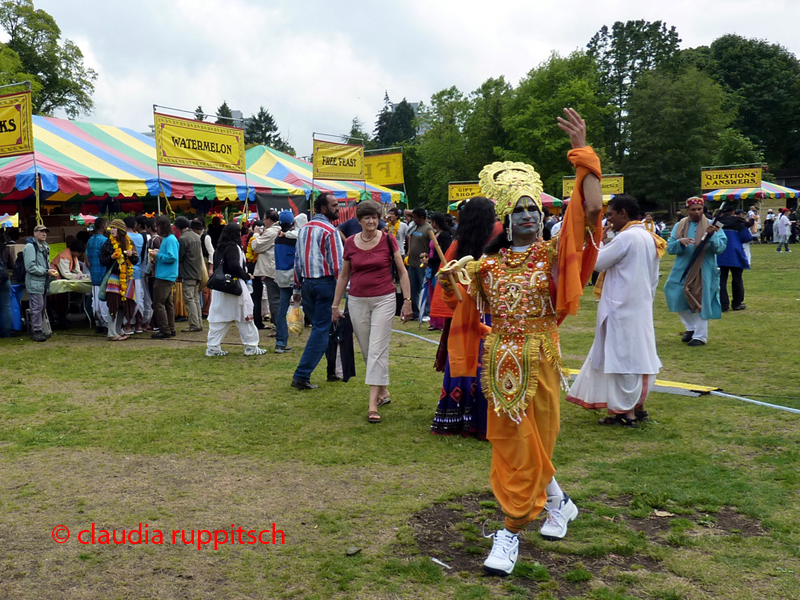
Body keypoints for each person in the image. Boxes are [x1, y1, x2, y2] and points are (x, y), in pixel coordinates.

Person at [438, 109, 603, 575]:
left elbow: (590, 212)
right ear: (507, 218)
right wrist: (452, 280)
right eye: (521, 209)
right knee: (512, 446)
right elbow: (461, 304)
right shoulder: (486, 265)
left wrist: (583, 154)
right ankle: (532, 516)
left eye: (536, 208)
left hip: (543, 359)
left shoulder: (553, 253)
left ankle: (513, 529)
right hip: (500, 363)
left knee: (535, 443)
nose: (530, 215)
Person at [566, 195, 665, 427]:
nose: (608, 220)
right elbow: (653, 279)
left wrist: (596, 240)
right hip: (639, 305)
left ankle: (625, 413)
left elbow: (597, 263)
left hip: (621, 308)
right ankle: (637, 408)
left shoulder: (628, 237)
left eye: (610, 214)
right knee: (639, 355)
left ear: (623, 213)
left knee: (622, 359)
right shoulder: (649, 237)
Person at [331, 200, 412, 422]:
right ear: (359, 221)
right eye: (367, 217)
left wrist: (407, 300)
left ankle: (372, 404)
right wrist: (335, 305)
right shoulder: (350, 243)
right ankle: (383, 390)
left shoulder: (388, 239)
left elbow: (402, 272)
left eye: (375, 217)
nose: (371, 221)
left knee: (377, 349)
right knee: (367, 349)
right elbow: (344, 276)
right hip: (356, 300)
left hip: (384, 299)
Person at [430, 197, 498, 439]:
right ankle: (479, 419)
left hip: (466, 318)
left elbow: (450, 295)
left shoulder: (462, 246)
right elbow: (448, 290)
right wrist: (448, 284)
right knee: (482, 364)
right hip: (485, 317)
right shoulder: (490, 248)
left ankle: (461, 416)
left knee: (471, 363)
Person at [291, 192, 344, 390]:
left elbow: (297, 261)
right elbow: (338, 265)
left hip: (307, 285)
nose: (338, 208)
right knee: (322, 331)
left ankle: (333, 371)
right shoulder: (330, 231)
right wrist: (343, 292)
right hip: (325, 284)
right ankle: (302, 375)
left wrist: (296, 287)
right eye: (334, 205)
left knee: (324, 329)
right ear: (323, 208)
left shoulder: (303, 229)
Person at [663, 197, 726, 347]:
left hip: (704, 267)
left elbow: (720, 248)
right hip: (682, 266)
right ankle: (691, 327)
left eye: (699, 209)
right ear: (687, 210)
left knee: (702, 299)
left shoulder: (713, 225)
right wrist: (680, 242)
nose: (697, 212)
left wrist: (712, 236)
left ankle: (700, 336)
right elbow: (670, 247)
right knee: (673, 292)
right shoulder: (679, 225)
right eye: (693, 210)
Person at [205, 222, 267, 357]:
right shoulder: (233, 248)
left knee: (219, 318)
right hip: (235, 287)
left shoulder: (219, 249)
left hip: (220, 288)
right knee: (245, 316)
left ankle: (213, 347)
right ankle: (251, 345)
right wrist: (246, 275)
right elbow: (234, 266)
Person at [99, 219, 139, 341]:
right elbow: (102, 261)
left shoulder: (129, 242)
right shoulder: (108, 243)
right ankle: (111, 332)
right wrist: (111, 257)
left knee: (124, 305)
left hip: (127, 278)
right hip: (113, 278)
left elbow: (136, 261)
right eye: (111, 228)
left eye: (115, 228)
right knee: (113, 304)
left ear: (121, 230)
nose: (112, 230)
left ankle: (118, 329)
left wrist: (131, 255)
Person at [24, 224, 58, 342]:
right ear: (34, 233)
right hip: (34, 282)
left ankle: (40, 330)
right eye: (41, 231)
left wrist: (49, 270)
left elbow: (44, 263)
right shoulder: (30, 246)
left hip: (42, 282)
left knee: (42, 306)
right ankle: (36, 331)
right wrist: (46, 271)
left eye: (45, 232)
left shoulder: (44, 246)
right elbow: (30, 267)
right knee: (37, 307)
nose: (44, 234)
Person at [250, 209, 282, 333]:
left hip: (271, 270)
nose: (263, 222)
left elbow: (256, 246)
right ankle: (278, 325)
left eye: (264, 219)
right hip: (276, 268)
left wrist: (256, 234)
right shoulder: (277, 230)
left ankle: (278, 327)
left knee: (274, 300)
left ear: (269, 219)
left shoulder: (271, 232)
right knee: (276, 299)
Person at [717, 206, 753, 312]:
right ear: (733, 212)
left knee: (721, 280)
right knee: (737, 279)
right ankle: (737, 303)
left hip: (720, 253)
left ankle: (723, 305)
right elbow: (747, 238)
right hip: (735, 253)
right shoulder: (739, 223)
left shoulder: (718, 223)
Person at [150, 215, 178, 339]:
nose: (156, 229)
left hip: (164, 276)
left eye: (158, 226)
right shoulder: (169, 239)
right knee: (167, 304)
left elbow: (172, 257)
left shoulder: (170, 239)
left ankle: (164, 329)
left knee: (158, 303)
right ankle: (170, 328)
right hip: (167, 275)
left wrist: (158, 255)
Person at [274, 210, 297, 354]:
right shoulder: (293, 238)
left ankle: (280, 343)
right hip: (294, 277)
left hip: (280, 277)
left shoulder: (277, 239)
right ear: (293, 223)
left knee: (282, 311)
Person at [176, 217, 204, 332]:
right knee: (196, 299)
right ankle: (199, 322)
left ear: (178, 227)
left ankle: (194, 324)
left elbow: (180, 256)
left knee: (189, 299)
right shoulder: (196, 237)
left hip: (188, 272)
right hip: (197, 271)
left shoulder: (183, 238)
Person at [407, 208, 432, 321]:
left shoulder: (428, 229)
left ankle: (426, 311)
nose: (413, 219)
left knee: (423, 289)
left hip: (422, 265)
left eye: (416, 217)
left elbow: (433, 246)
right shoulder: (415, 226)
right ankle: (415, 312)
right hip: (412, 263)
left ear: (422, 218)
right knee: (413, 288)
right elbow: (406, 212)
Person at [85, 218, 110, 334]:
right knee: (103, 301)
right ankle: (105, 324)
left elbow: (87, 260)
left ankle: (98, 323)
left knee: (95, 302)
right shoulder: (105, 240)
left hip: (94, 274)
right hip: (104, 274)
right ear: (103, 226)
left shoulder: (90, 241)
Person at [1, 231, 15, 338]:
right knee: (6, 307)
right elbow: (11, 264)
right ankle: (6, 331)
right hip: (5, 280)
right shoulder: (4, 249)